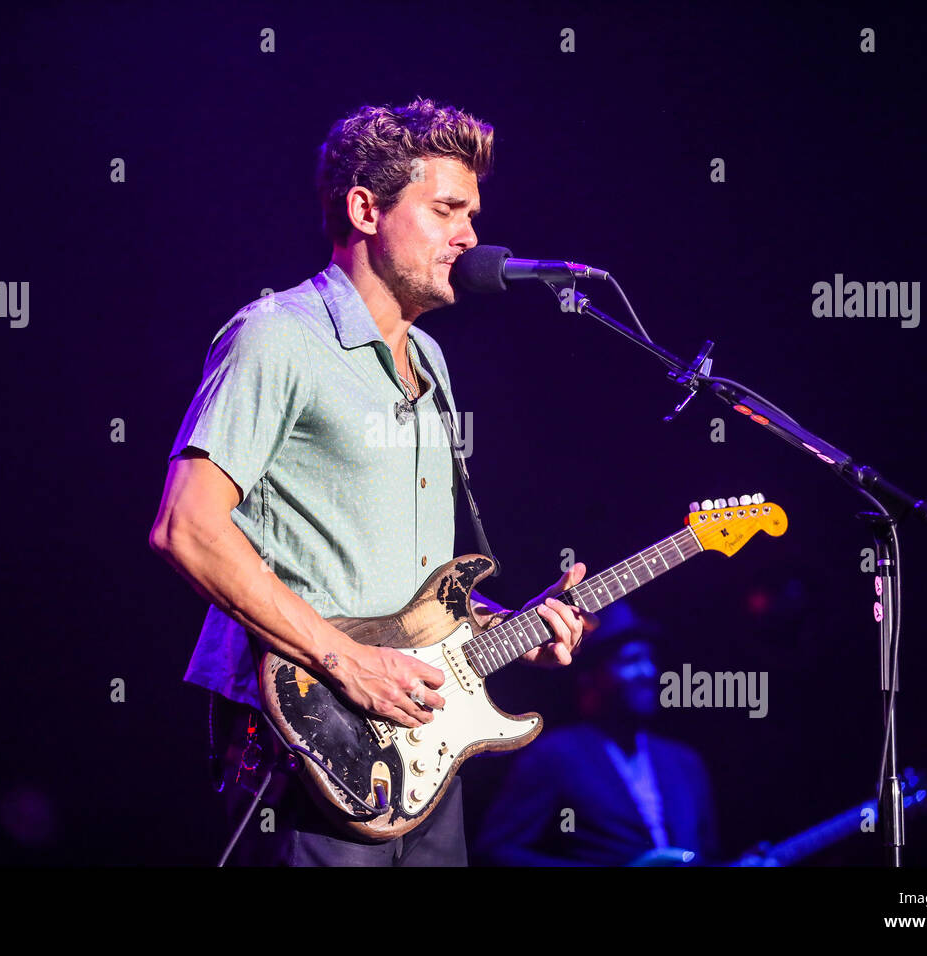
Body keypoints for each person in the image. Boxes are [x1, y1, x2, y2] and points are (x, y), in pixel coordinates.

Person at [148, 96, 599, 866]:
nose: (471, 236)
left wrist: (511, 628)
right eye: (448, 210)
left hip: (421, 749)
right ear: (365, 209)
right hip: (311, 738)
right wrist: (343, 659)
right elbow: (186, 527)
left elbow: (404, 593)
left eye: (473, 214)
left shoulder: (433, 361)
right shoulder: (277, 336)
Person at [475, 603, 718, 866]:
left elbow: (709, 854)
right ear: (592, 676)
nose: (648, 672)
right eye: (630, 661)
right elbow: (495, 851)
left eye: (650, 659)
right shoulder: (555, 756)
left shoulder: (684, 762)